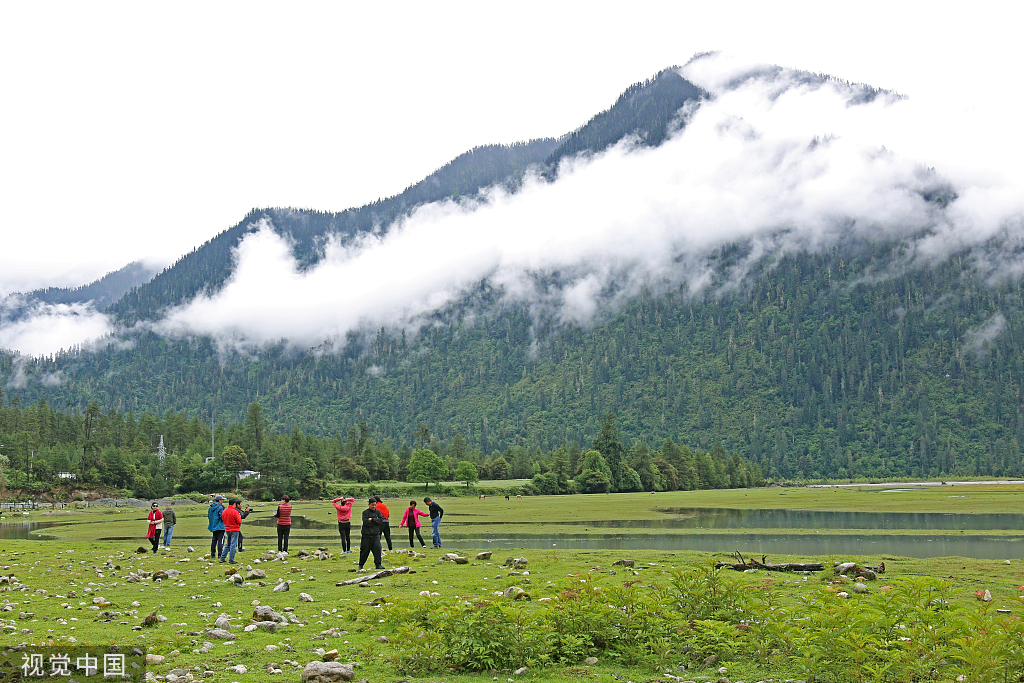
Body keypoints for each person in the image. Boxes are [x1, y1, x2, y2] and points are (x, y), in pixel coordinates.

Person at [358, 497, 385, 571]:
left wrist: (372, 519)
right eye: (372, 505)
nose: (373, 506)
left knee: (377, 549)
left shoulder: (378, 512)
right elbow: (366, 522)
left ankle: (378, 564)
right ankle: (361, 565)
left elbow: (381, 520)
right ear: (369, 504)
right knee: (364, 551)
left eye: (375, 505)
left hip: (375, 535)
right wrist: (375, 522)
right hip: (366, 536)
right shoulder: (365, 512)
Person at [219, 498, 243, 564]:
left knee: (228, 544)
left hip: (227, 529)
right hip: (234, 529)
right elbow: (239, 521)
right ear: (234, 504)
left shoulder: (224, 511)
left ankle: (222, 557)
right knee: (233, 544)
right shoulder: (235, 512)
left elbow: (223, 519)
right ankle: (231, 559)